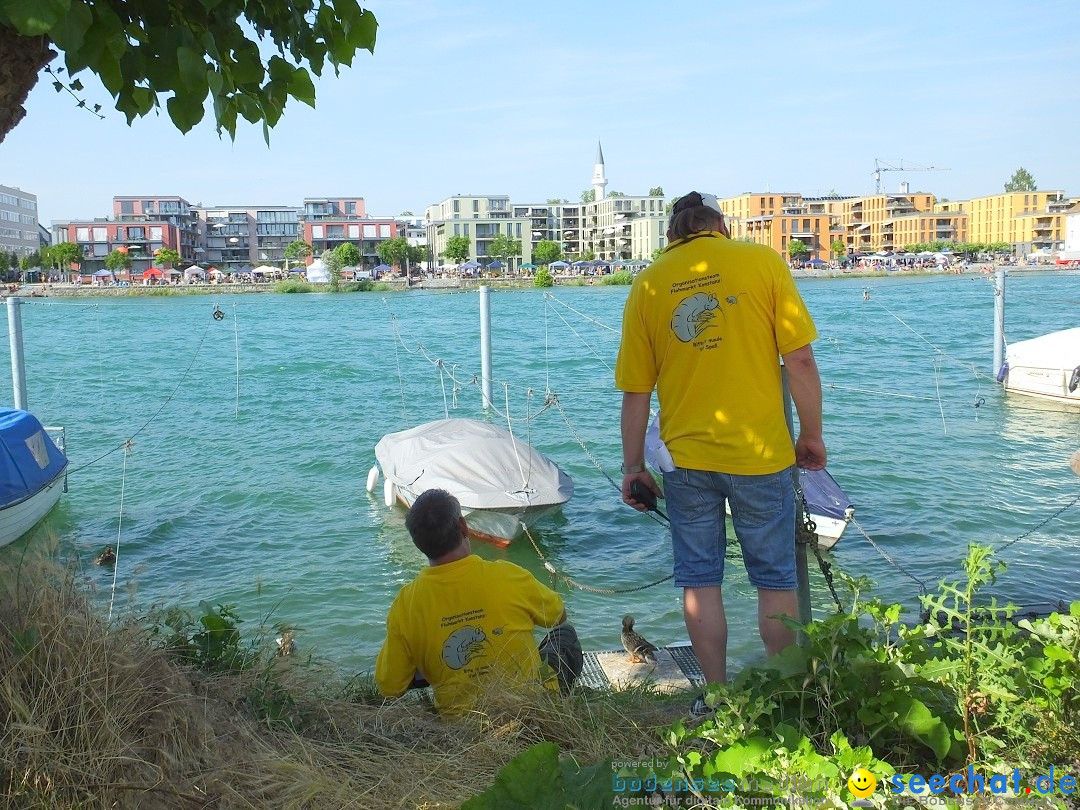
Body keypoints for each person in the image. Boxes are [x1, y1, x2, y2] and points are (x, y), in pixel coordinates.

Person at [614, 191, 825, 717]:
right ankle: (785, 695)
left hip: (685, 462)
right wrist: (812, 435)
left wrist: (634, 467)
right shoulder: (760, 262)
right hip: (760, 455)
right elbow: (798, 359)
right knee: (775, 579)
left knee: (700, 579)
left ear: (672, 234)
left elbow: (636, 393)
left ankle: (716, 696)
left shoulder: (648, 284)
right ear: (720, 227)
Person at [375, 488, 582, 713]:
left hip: (460, 726)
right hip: (530, 709)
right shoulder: (508, 574)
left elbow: (389, 686)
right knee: (565, 635)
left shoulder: (405, 604)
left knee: (421, 659)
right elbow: (558, 615)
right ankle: (561, 706)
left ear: (418, 543)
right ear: (464, 527)